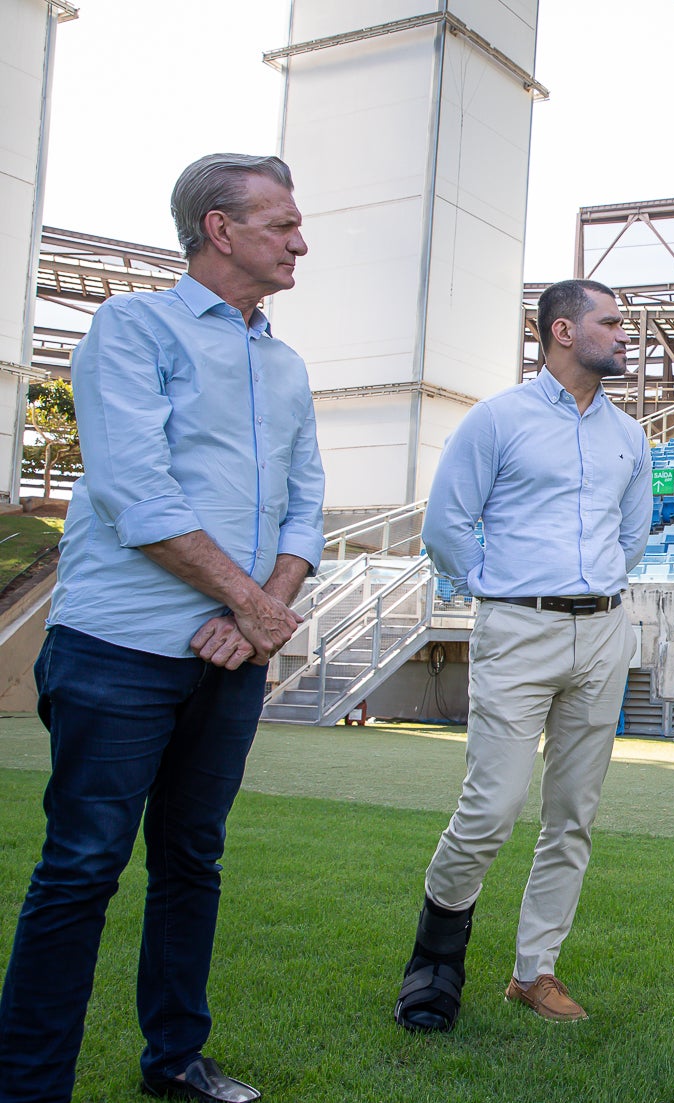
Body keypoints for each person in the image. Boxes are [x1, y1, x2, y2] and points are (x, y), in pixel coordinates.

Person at [0, 154, 323, 1103]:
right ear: (220, 229)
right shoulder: (132, 327)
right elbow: (135, 491)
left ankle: (176, 1060)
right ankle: (28, 1087)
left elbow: (306, 504)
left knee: (193, 859)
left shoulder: (286, 364)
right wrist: (254, 606)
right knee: (82, 866)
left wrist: (260, 612)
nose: (300, 242)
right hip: (119, 650)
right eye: (282, 224)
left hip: (233, 654)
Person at [393, 279, 649, 1032]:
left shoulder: (630, 436)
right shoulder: (498, 418)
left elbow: (630, 536)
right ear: (563, 331)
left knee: (573, 815)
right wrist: (497, 588)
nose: (624, 334)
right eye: (611, 322)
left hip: (604, 632)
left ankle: (534, 971)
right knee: (491, 809)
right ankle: (435, 961)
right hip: (517, 630)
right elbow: (446, 524)